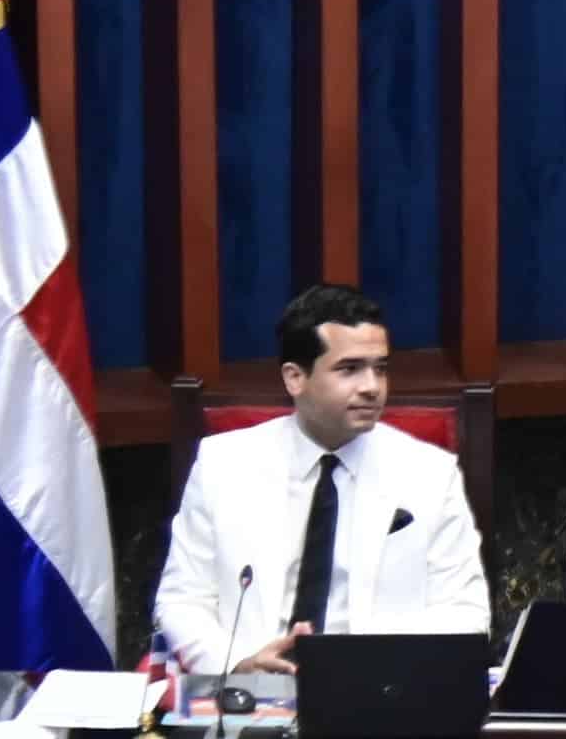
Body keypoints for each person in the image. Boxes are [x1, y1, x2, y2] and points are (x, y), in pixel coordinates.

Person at [156, 283, 493, 675]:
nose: (371, 387)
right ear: (295, 378)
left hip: (380, 695)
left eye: (380, 369)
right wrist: (238, 666)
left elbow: (466, 612)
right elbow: (183, 600)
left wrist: (373, 668)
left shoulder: (429, 473)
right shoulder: (224, 465)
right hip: (255, 696)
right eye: (349, 369)